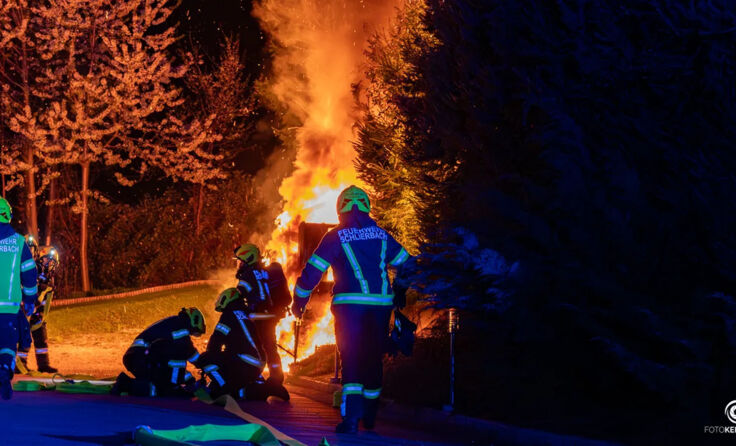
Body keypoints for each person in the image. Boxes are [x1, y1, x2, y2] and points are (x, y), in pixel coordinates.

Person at [292, 185, 411, 433]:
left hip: (350, 308)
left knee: (352, 357)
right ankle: (370, 415)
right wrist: (400, 288)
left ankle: (351, 419)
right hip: (380, 306)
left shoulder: (335, 236)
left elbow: (312, 272)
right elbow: (407, 264)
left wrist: (299, 302)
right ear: (366, 206)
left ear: (340, 208)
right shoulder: (381, 235)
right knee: (373, 357)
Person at [234, 243, 291, 401]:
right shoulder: (264, 272)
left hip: (259, 316)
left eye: (241, 261)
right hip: (270, 315)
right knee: (270, 348)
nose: (240, 264)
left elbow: (239, 294)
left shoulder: (248, 275)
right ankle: (276, 378)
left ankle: (256, 377)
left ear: (248, 259)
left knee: (255, 348)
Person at [112, 308, 205, 397]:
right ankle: (125, 383)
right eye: (194, 332)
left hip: (139, 357)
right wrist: (205, 363)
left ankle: (128, 383)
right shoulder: (180, 329)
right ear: (194, 322)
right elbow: (189, 353)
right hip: (141, 358)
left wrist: (190, 380)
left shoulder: (175, 324)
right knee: (163, 390)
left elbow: (173, 368)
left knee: (162, 383)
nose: (192, 335)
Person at [0, 198, 38, 400]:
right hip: (9, 308)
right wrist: (30, 299)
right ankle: (5, 370)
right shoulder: (18, 242)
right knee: (7, 344)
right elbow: (29, 273)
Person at [198, 288, 267, 400]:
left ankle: (223, 389)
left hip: (243, 361)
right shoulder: (246, 313)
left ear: (227, 298)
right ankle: (253, 388)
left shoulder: (228, 315)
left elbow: (216, 341)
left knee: (205, 359)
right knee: (234, 380)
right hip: (258, 364)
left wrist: (208, 358)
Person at [17, 245, 59, 373]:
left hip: (38, 314)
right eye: (46, 259)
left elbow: (46, 299)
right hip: (26, 311)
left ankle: (44, 365)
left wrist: (42, 315)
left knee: (41, 339)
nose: (49, 263)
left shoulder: (49, 278)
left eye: (52, 261)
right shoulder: (32, 272)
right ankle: (19, 365)